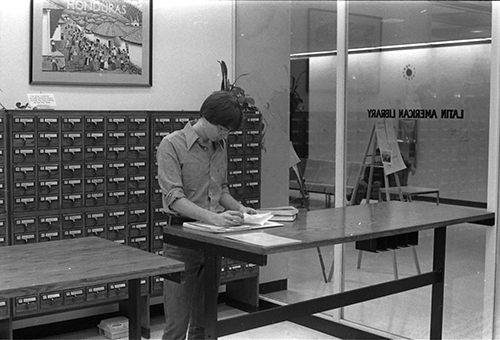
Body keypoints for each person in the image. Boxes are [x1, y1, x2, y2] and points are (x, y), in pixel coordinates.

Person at [157, 90, 257, 340]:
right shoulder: (172, 144)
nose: (225, 135)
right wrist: (212, 217)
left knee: (205, 323)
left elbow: (220, 189)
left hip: (212, 239)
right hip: (182, 239)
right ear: (207, 119)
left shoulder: (219, 145)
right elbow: (174, 198)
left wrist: (239, 208)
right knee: (176, 327)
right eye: (223, 129)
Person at [351, 150, 416, 205]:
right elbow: (366, 176)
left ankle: (353, 198)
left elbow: (404, 162)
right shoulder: (372, 166)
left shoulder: (389, 167)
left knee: (363, 187)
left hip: (381, 186)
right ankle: (353, 198)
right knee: (361, 185)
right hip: (371, 182)